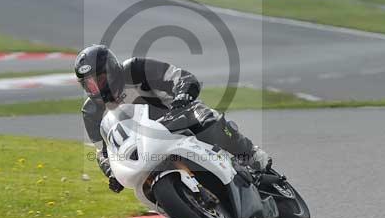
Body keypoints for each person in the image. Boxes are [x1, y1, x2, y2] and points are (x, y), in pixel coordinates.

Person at [74, 44, 271, 193]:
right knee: (141, 183)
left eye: (98, 80)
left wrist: (183, 94)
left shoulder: (135, 69)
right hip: (145, 146)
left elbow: (179, 77)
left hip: (178, 116)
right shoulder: (91, 112)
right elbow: (103, 151)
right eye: (88, 85)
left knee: (206, 120)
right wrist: (111, 172)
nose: (95, 88)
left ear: (112, 70)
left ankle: (251, 154)